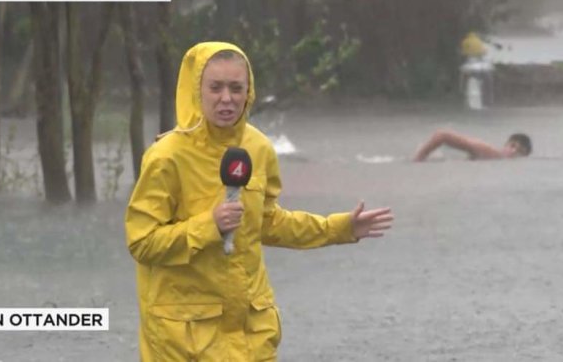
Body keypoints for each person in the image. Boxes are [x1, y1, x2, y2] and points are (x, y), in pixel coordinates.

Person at [124, 42, 393, 361]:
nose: (227, 98)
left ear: (248, 92)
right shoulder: (166, 157)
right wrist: (209, 226)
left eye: (236, 88)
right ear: (198, 89)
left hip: (251, 332)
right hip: (184, 341)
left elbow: (268, 222)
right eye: (216, 87)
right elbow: (141, 242)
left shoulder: (259, 148)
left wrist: (340, 228)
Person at [413, 129, 532, 162]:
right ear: (505, 145)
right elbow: (442, 135)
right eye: (512, 146)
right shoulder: (490, 153)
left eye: (519, 152)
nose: (513, 151)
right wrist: (418, 159)